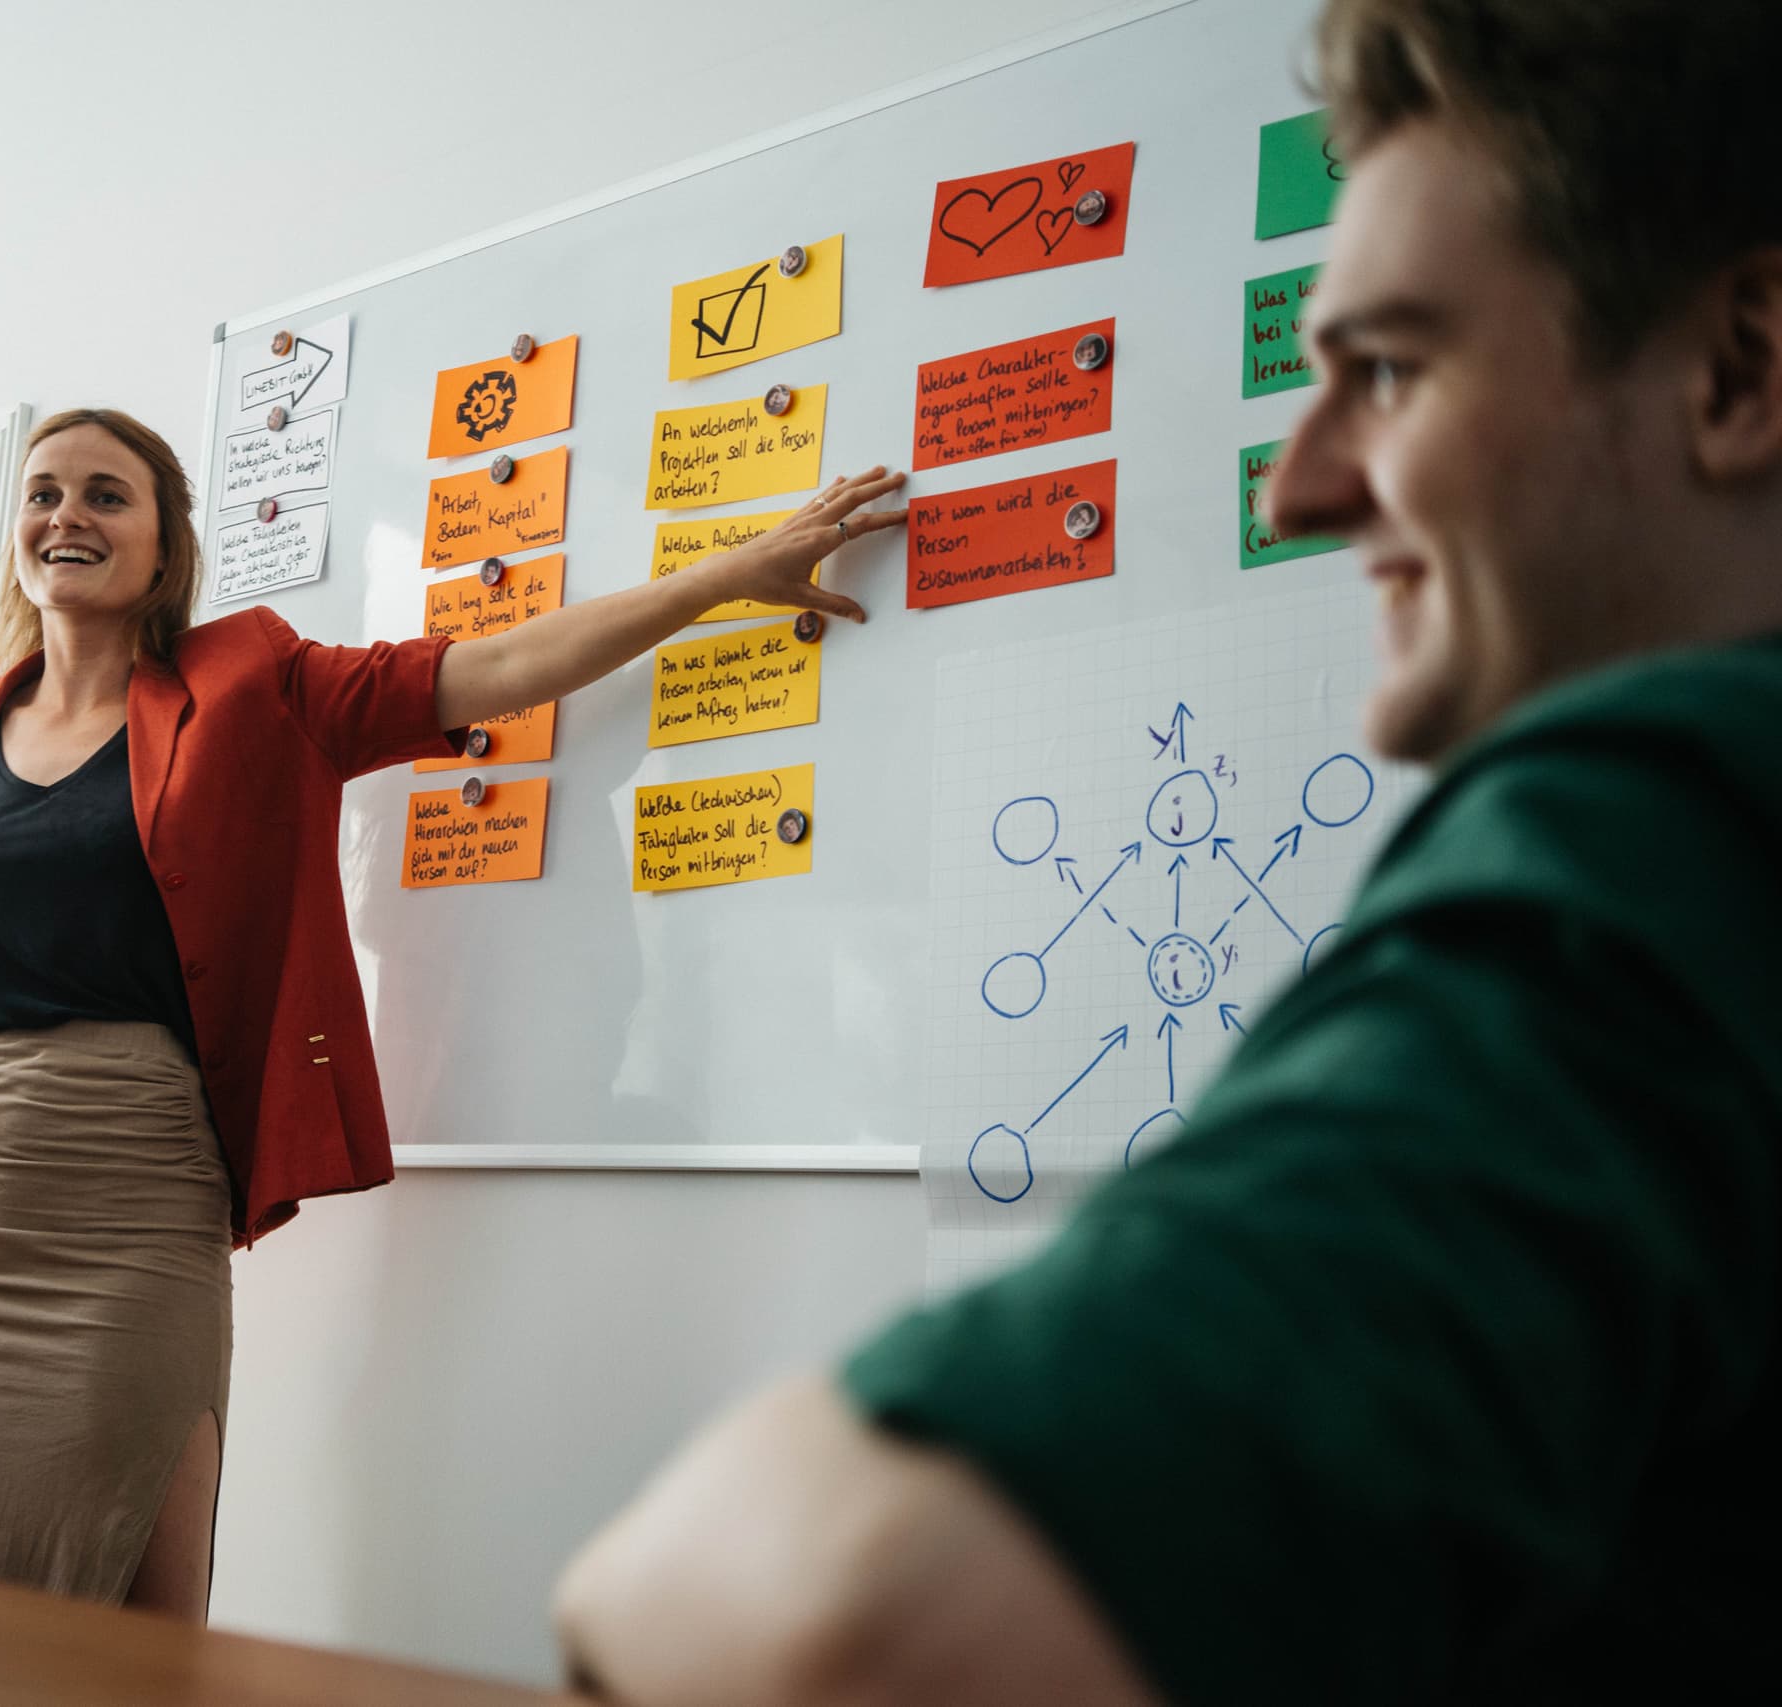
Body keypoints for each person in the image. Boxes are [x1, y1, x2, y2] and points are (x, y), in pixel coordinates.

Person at [553, 2, 1782, 1702]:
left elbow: (845, 1619)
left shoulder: (1677, 817)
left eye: (1396, 369)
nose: (1301, 486)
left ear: (1740, 368)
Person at [0, 405, 906, 1614]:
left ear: (162, 548)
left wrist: (728, 574)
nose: (66, 515)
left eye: (105, 493)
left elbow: (495, 667)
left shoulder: (255, 686)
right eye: (43, 493)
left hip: (129, 1211)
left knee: (116, 1616)